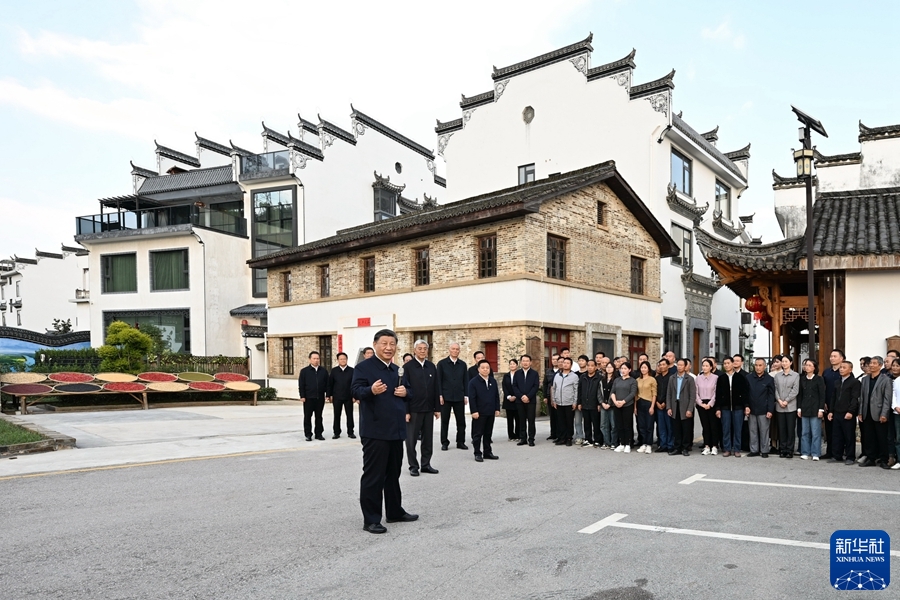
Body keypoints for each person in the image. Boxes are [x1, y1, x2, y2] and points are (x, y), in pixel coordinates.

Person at [351, 329, 416, 534]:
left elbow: (409, 392)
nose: (389, 348)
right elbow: (355, 391)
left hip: (396, 430)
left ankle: (395, 512)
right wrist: (371, 390)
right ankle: (371, 519)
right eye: (384, 343)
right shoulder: (363, 368)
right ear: (375, 344)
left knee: (393, 474)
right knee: (374, 476)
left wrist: (406, 392)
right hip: (375, 431)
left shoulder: (397, 370)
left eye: (392, 344)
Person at [403, 339, 440, 477]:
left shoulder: (431, 366)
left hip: (428, 408)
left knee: (427, 439)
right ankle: (413, 466)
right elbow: (404, 390)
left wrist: (437, 408)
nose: (423, 351)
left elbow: (436, 387)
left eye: (425, 348)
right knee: (411, 439)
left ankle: (426, 464)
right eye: (420, 348)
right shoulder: (408, 367)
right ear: (414, 350)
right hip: (414, 409)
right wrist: (406, 411)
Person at [858, 356, 893, 467]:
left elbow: (887, 399)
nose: (871, 365)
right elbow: (862, 397)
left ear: (880, 365)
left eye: (874, 363)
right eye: (870, 363)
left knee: (882, 437)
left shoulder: (886, 380)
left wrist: (884, 414)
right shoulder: (865, 379)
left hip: (879, 412)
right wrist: (860, 412)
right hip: (866, 412)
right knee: (869, 437)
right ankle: (871, 458)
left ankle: (883, 460)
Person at [436, 343, 468, 452]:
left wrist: (466, 395)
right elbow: (438, 381)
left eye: (457, 349)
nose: (455, 351)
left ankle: (460, 442)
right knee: (445, 421)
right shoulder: (442, 364)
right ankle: (444, 442)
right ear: (449, 350)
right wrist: (440, 395)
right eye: (453, 349)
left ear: (459, 351)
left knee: (461, 421)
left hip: (459, 396)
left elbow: (465, 380)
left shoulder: (463, 365)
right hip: (446, 396)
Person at [828, 360, 860, 465]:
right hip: (837, 412)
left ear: (850, 370)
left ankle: (850, 457)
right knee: (837, 435)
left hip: (848, 413)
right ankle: (837, 455)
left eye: (844, 367)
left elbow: (855, 398)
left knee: (849, 436)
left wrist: (851, 411)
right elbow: (833, 397)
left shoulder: (854, 382)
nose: (841, 369)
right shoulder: (837, 382)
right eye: (840, 367)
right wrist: (831, 411)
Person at [467, 360, 500, 462]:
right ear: (478, 369)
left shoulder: (492, 381)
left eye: (487, 368)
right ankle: (477, 453)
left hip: (490, 411)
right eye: (483, 368)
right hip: (479, 412)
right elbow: (472, 398)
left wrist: (497, 408)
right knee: (477, 434)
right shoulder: (473, 382)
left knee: (488, 433)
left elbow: (496, 396)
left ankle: (487, 452)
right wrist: (474, 411)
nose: (485, 369)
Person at [716, 356, 749, 457]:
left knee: (738, 429)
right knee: (726, 429)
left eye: (728, 363)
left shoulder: (740, 377)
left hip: (738, 407)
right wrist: (718, 408)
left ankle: (737, 449)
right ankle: (727, 449)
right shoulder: (721, 378)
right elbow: (718, 394)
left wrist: (746, 406)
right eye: (724, 364)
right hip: (725, 407)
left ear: (732, 364)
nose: (726, 365)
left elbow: (745, 393)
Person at [746, 358, 775, 458]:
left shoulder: (769, 379)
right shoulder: (749, 378)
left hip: (764, 409)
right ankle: (754, 450)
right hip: (751, 409)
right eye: (756, 365)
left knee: (764, 431)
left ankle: (764, 450)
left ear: (765, 366)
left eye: (760, 365)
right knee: (752, 430)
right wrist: (746, 406)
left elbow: (771, 396)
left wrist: (770, 410)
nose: (758, 367)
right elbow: (746, 394)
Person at [666, 358, 696, 456]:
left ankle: (685, 448)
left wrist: (690, 409)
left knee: (686, 428)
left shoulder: (689, 379)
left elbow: (692, 396)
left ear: (685, 366)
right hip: (675, 405)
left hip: (685, 406)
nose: (679, 367)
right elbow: (669, 394)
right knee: (676, 428)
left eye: (681, 365)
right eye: (678, 365)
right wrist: (669, 407)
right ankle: (677, 447)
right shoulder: (672, 378)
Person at [797, 358, 826, 461]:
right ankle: (805, 452)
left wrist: (821, 409)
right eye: (806, 365)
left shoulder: (819, 379)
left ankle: (815, 453)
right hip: (804, 408)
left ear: (814, 368)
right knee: (805, 432)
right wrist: (799, 408)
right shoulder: (802, 379)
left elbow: (822, 395)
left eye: (809, 365)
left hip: (815, 408)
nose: (807, 367)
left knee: (815, 432)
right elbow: (800, 395)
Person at [299, 351, 329, 441]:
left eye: (317, 358)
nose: (316, 360)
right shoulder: (304, 371)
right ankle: (308, 434)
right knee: (308, 417)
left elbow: (327, 384)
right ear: (310, 359)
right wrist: (302, 396)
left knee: (319, 417)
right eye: (314, 358)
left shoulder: (323, 371)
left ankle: (319, 434)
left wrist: (327, 395)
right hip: (308, 398)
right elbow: (301, 384)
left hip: (320, 398)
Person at [821, 349, 845, 461]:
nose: (832, 358)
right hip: (828, 405)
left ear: (841, 358)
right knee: (829, 430)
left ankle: (839, 453)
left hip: (840, 405)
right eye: (831, 356)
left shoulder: (845, 371)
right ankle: (829, 452)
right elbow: (822, 389)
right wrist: (823, 402)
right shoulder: (826, 372)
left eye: (835, 356)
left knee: (839, 431)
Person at [774, 356, 800, 459]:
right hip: (779, 405)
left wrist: (786, 401)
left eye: (786, 361)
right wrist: (779, 400)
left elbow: (795, 390)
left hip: (791, 406)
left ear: (791, 362)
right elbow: (775, 389)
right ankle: (782, 449)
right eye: (783, 361)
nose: (784, 363)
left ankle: (790, 450)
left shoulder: (796, 375)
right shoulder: (777, 376)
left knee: (790, 429)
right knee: (782, 429)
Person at [513, 354, 540, 447]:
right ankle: (523, 438)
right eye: (523, 361)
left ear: (530, 362)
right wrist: (521, 396)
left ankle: (531, 439)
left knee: (531, 420)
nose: (525, 363)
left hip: (531, 401)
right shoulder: (517, 373)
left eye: (527, 361)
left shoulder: (534, 373)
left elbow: (536, 386)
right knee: (521, 420)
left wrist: (528, 396)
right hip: (520, 401)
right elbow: (514, 386)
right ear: (521, 362)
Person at [327, 352, 356, 439]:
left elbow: (355, 384)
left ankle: (350, 432)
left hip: (349, 397)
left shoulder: (352, 371)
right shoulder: (334, 371)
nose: (343, 360)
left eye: (344, 359)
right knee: (336, 415)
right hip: (337, 397)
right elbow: (330, 384)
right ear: (338, 360)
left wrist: (355, 396)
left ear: (347, 360)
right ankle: (336, 432)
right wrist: (329, 395)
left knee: (349, 415)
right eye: (341, 359)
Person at [551, 357, 579, 446]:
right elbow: (554, 388)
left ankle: (569, 438)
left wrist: (575, 402)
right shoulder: (557, 375)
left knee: (569, 421)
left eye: (568, 363)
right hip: (559, 402)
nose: (565, 364)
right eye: (564, 363)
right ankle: (562, 438)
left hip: (569, 402)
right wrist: (554, 400)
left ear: (571, 365)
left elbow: (576, 390)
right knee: (561, 421)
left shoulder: (574, 376)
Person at [611, 362, 638, 453]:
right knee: (619, 425)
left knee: (627, 425)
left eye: (625, 368)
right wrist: (615, 402)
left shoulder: (632, 381)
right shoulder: (617, 380)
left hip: (627, 405)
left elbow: (632, 393)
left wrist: (623, 401)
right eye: (622, 368)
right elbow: (612, 392)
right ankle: (621, 443)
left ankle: (628, 443)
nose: (623, 370)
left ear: (629, 370)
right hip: (616, 405)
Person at [694, 358, 719, 456]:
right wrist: (701, 403)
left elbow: (716, 392)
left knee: (713, 426)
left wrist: (710, 404)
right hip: (701, 404)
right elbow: (696, 392)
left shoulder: (715, 378)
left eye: (706, 366)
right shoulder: (698, 378)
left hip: (712, 403)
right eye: (703, 366)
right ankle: (707, 446)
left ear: (711, 367)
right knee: (705, 426)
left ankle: (714, 446)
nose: (704, 367)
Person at [578, 359, 602, 447]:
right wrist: (579, 402)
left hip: (595, 404)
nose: (590, 367)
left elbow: (600, 392)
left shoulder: (599, 377)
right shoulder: (583, 377)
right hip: (585, 403)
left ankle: (597, 440)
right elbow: (579, 390)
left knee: (596, 423)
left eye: (592, 366)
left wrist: (599, 403)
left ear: (595, 367)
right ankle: (588, 439)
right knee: (586, 423)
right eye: (588, 365)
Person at [634, 361, 657, 453]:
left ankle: (649, 444)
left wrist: (652, 406)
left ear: (648, 369)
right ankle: (643, 443)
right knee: (641, 425)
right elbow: (636, 395)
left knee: (649, 425)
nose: (643, 369)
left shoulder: (652, 380)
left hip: (648, 403)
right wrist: (635, 407)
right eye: (642, 368)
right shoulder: (637, 380)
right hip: (639, 402)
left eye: (645, 367)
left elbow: (654, 394)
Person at [654, 358, 674, 453]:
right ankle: (663, 444)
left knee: (669, 426)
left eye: (663, 364)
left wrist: (666, 403)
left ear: (668, 366)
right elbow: (655, 392)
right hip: (658, 405)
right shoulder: (657, 378)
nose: (661, 366)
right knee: (661, 426)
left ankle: (670, 445)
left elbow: (671, 392)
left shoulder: (672, 377)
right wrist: (657, 402)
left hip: (668, 405)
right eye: (660, 365)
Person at [599, 362, 617, 450]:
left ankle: (614, 442)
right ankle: (606, 442)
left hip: (612, 405)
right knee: (603, 425)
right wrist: (602, 403)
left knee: (613, 425)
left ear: (614, 369)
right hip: (603, 405)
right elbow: (599, 393)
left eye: (611, 367)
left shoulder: (616, 380)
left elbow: (614, 392)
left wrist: (609, 403)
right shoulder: (602, 380)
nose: (609, 369)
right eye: (607, 367)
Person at [502, 359, 519, 442]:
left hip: (517, 399)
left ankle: (518, 435)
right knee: (510, 419)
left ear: (517, 365)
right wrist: (508, 396)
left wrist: (516, 396)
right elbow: (504, 387)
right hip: (508, 400)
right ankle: (511, 435)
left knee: (518, 419)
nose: (512, 365)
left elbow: (520, 386)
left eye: (514, 364)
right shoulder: (506, 376)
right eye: (510, 364)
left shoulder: (519, 375)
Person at [543, 354, 560, 441]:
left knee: (558, 416)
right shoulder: (548, 371)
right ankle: (553, 434)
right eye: (553, 359)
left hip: (559, 397)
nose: (555, 361)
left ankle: (559, 434)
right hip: (550, 396)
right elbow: (545, 384)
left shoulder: (561, 371)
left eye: (556, 359)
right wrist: (545, 396)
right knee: (552, 416)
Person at [890, 358, 900, 470]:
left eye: (898, 365)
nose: (895, 368)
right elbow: (893, 395)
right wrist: (896, 407)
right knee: (898, 438)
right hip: (897, 412)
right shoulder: (896, 381)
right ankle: (899, 460)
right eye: (894, 365)